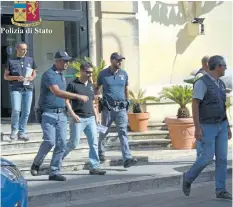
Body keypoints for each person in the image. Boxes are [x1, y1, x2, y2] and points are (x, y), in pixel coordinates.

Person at [30, 51, 89, 181]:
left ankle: (54, 172)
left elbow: (64, 97)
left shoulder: (62, 75)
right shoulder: (49, 75)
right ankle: (36, 163)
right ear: (57, 61)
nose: (67, 63)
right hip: (48, 113)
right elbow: (57, 92)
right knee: (50, 141)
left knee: (62, 144)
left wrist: (70, 111)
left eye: (68, 60)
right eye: (64, 61)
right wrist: (77, 96)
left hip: (61, 114)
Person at [182, 55, 232, 200]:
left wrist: (227, 126)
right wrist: (197, 128)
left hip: (221, 125)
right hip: (207, 126)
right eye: (224, 65)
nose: (226, 68)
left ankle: (221, 190)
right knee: (206, 157)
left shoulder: (221, 84)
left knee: (222, 159)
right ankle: (188, 178)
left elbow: (223, 107)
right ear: (217, 66)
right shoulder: (201, 83)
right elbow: (195, 105)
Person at [63, 62, 106, 175]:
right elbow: (66, 101)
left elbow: (92, 102)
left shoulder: (91, 86)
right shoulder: (73, 84)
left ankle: (94, 166)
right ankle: (57, 160)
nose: (90, 75)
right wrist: (72, 114)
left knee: (94, 143)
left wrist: (97, 116)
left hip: (90, 118)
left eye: (91, 72)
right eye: (87, 72)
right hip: (78, 118)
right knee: (73, 143)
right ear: (81, 71)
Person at [95, 52, 137, 168]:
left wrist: (127, 101)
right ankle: (100, 152)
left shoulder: (124, 74)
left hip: (121, 108)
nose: (120, 62)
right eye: (118, 60)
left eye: (121, 60)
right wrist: (97, 100)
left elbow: (126, 88)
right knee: (103, 130)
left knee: (123, 132)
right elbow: (96, 88)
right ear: (111, 60)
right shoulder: (103, 74)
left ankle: (127, 158)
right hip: (107, 108)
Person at [4, 42, 37, 141]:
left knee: (26, 111)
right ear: (17, 49)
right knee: (16, 110)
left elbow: (34, 73)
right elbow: (5, 76)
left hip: (28, 88)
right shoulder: (10, 61)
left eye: (26, 49)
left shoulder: (30, 60)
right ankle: (14, 131)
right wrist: (16, 77)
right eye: (23, 49)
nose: (25, 51)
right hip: (15, 89)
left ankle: (22, 131)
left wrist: (31, 77)